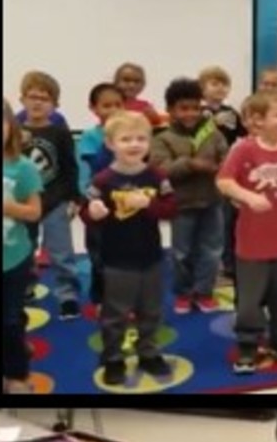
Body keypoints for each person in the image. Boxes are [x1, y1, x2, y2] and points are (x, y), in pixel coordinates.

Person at [217, 90, 277, 374]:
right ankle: (248, 345)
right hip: (252, 244)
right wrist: (247, 196)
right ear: (259, 120)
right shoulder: (245, 150)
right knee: (250, 301)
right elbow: (224, 181)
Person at [80, 111, 177, 386]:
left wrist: (150, 206)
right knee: (115, 312)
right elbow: (87, 213)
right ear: (110, 144)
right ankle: (113, 357)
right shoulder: (103, 180)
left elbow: (172, 209)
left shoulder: (157, 176)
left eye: (141, 138)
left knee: (151, 309)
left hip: (151, 257)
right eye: (126, 139)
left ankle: (148, 352)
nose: (134, 144)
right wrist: (93, 213)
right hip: (117, 259)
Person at [150, 78, 229, 314]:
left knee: (212, 250)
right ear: (170, 110)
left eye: (196, 107)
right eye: (184, 108)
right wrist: (190, 164)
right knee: (181, 252)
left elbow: (226, 159)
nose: (191, 113)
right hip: (181, 205)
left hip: (212, 201)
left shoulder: (213, 133)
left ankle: (204, 292)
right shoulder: (162, 138)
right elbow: (160, 170)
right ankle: (183, 292)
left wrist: (223, 166)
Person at [19, 71, 82, 319]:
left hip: (56, 199)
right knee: (24, 249)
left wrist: (74, 198)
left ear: (54, 105)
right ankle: (26, 286)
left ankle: (67, 295)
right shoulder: (14, 132)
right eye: (32, 97)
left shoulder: (60, 133)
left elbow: (70, 167)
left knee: (61, 251)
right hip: (24, 202)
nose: (37, 102)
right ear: (22, 99)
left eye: (44, 98)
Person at [3, 99, 44, 394]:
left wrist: (6, 207)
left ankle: (16, 373)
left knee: (10, 318)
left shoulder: (23, 167)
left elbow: (33, 212)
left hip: (12, 256)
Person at [76, 83, 125, 314]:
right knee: (100, 256)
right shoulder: (89, 138)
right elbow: (90, 172)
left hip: (126, 206)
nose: (113, 110)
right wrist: (89, 199)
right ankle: (101, 298)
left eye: (118, 105)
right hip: (98, 205)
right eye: (107, 105)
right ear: (93, 108)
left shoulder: (131, 135)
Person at [199, 66, 247, 282]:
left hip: (227, 171)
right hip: (202, 172)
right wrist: (211, 124)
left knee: (227, 219)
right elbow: (192, 139)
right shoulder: (197, 112)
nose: (220, 88)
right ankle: (203, 261)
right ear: (202, 88)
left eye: (224, 84)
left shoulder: (231, 113)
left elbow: (243, 137)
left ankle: (228, 263)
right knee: (205, 219)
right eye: (214, 83)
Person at [113, 62, 163, 127]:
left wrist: (153, 117)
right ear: (116, 82)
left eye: (137, 81)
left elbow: (156, 124)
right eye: (126, 80)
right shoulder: (111, 104)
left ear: (143, 85)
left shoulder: (145, 106)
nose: (132, 85)